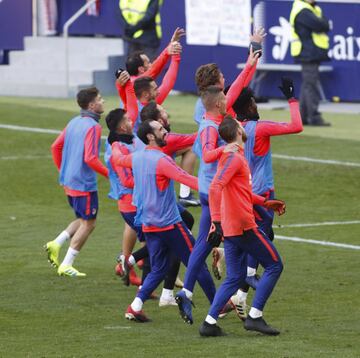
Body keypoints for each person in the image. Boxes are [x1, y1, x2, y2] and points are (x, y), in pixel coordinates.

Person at [175, 46, 261, 325]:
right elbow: (208, 151)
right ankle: (241, 286)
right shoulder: (211, 121)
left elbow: (236, 88)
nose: (228, 96)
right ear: (216, 91)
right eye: (223, 87)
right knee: (240, 233)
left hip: (209, 185)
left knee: (205, 240)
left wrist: (250, 62)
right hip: (216, 189)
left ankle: (189, 291)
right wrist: (226, 151)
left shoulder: (209, 114)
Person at [112, 120, 216, 322]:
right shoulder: (162, 161)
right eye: (160, 129)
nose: (165, 131)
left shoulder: (136, 158)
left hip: (149, 224)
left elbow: (119, 160)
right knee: (197, 263)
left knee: (158, 268)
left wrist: (115, 144)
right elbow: (186, 179)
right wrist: (216, 188)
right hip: (170, 224)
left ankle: (135, 307)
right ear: (150, 137)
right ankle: (219, 305)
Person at [199, 116, 286, 337]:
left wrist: (265, 202)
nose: (243, 126)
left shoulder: (234, 156)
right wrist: (215, 221)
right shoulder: (233, 157)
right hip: (241, 225)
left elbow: (241, 192)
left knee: (235, 277)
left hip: (232, 226)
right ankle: (255, 316)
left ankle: (209, 323)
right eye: (240, 124)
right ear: (238, 131)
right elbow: (215, 187)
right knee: (275, 265)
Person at [104, 105, 194, 306]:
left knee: (181, 225)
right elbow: (125, 178)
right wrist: (149, 176)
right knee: (165, 245)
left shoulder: (133, 140)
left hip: (145, 203)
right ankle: (150, 283)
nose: (131, 121)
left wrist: (125, 85)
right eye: (127, 120)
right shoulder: (121, 147)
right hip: (136, 204)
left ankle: (139, 277)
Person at [226, 78, 302, 312]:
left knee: (264, 235)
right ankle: (247, 276)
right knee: (260, 237)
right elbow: (296, 126)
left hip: (243, 191)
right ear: (250, 105)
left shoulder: (232, 127)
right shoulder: (261, 128)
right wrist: (292, 99)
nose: (256, 105)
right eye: (254, 102)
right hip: (262, 194)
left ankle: (237, 297)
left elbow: (230, 101)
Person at [46, 87, 108, 277]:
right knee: (89, 223)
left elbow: (55, 147)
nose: (103, 101)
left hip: (68, 181)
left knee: (82, 219)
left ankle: (55, 244)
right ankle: (67, 263)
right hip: (83, 183)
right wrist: (110, 174)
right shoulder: (94, 127)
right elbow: (90, 158)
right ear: (91, 105)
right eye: (99, 98)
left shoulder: (74, 121)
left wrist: (64, 171)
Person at [140, 101, 200, 206]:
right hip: (158, 204)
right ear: (159, 121)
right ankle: (185, 196)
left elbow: (121, 160)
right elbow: (198, 137)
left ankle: (185, 196)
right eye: (163, 111)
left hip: (144, 200)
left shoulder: (140, 152)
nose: (166, 113)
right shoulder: (168, 140)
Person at [290, 0, 331, 126]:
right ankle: (314, 117)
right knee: (310, 85)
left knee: (308, 85)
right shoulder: (303, 10)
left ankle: (303, 116)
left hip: (311, 52)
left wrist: (323, 22)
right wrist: (322, 22)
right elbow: (322, 25)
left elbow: (325, 24)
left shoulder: (311, 8)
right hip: (307, 52)